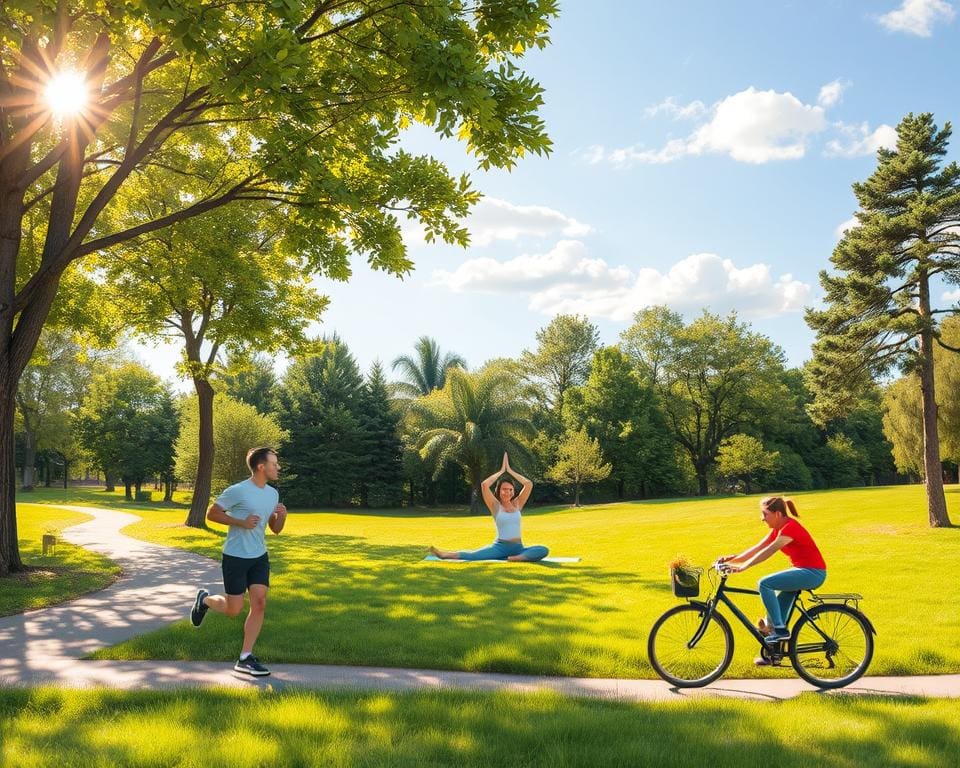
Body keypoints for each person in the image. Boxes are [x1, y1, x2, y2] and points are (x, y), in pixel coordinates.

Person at [189, 446, 287, 676]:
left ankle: (245, 657)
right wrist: (241, 522)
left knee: (260, 603)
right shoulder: (238, 491)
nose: (278, 467)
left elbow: (275, 529)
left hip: (259, 556)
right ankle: (205, 600)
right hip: (235, 556)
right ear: (261, 467)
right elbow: (212, 514)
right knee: (234, 609)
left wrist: (281, 517)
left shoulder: (272, 494)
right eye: (274, 464)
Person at [718, 496, 826, 647]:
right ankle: (773, 651)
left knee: (764, 584)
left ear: (777, 514)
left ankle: (780, 631)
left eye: (765, 514)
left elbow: (769, 551)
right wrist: (733, 559)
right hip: (803, 571)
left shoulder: (790, 528)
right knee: (774, 615)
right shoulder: (778, 529)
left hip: (812, 573)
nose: (762, 518)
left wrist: (743, 567)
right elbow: (759, 547)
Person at [429, 452, 549, 562]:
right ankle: (444, 555)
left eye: (510, 490)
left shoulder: (518, 503)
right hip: (500, 547)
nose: (507, 492)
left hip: (518, 548)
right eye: (504, 489)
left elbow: (528, 484)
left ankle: (516, 558)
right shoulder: (495, 506)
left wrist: (510, 471)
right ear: (499, 491)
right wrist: (502, 471)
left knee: (543, 550)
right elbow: (485, 484)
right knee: (473, 556)